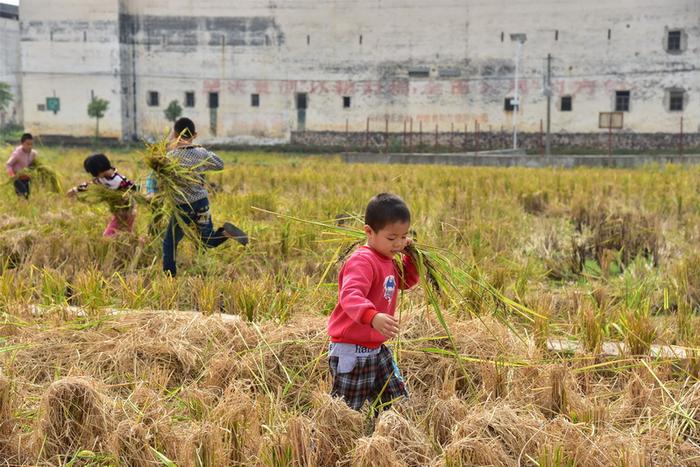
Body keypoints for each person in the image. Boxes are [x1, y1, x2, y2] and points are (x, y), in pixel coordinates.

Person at [327, 193, 420, 411]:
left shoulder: (388, 259)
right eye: (391, 238)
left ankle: (388, 438)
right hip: (352, 351)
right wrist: (372, 316)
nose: (398, 243)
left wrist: (413, 257)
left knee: (396, 401)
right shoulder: (363, 261)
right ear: (369, 232)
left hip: (377, 348)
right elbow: (350, 295)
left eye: (403, 236)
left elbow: (404, 281)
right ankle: (330, 442)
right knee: (345, 411)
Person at [160, 117, 247, 276]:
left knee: (169, 242)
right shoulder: (201, 153)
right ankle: (226, 233)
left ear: (175, 134)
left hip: (183, 207)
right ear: (195, 134)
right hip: (201, 202)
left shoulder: (171, 157)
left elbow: (161, 176)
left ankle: (169, 277)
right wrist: (202, 150)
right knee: (207, 240)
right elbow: (220, 164)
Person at [66, 153, 137, 237]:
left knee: (109, 235)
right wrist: (75, 190)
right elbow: (90, 185)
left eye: (94, 173)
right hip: (118, 212)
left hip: (126, 212)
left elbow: (135, 188)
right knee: (125, 234)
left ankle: (137, 243)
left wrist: (126, 199)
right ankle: (134, 244)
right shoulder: (102, 178)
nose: (94, 176)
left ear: (99, 169)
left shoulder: (120, 180)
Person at [5, 133, 37, 199]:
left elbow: (34, 165)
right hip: (18, 179)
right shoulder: (17, 154)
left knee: (27, 197)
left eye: (31, 144)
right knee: (23, 195)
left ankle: (24, 208)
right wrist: (12, 176)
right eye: (28, 144)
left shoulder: (33, 153)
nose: (30, 146)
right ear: (22, 143)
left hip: (28, 178)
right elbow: (8, 165)